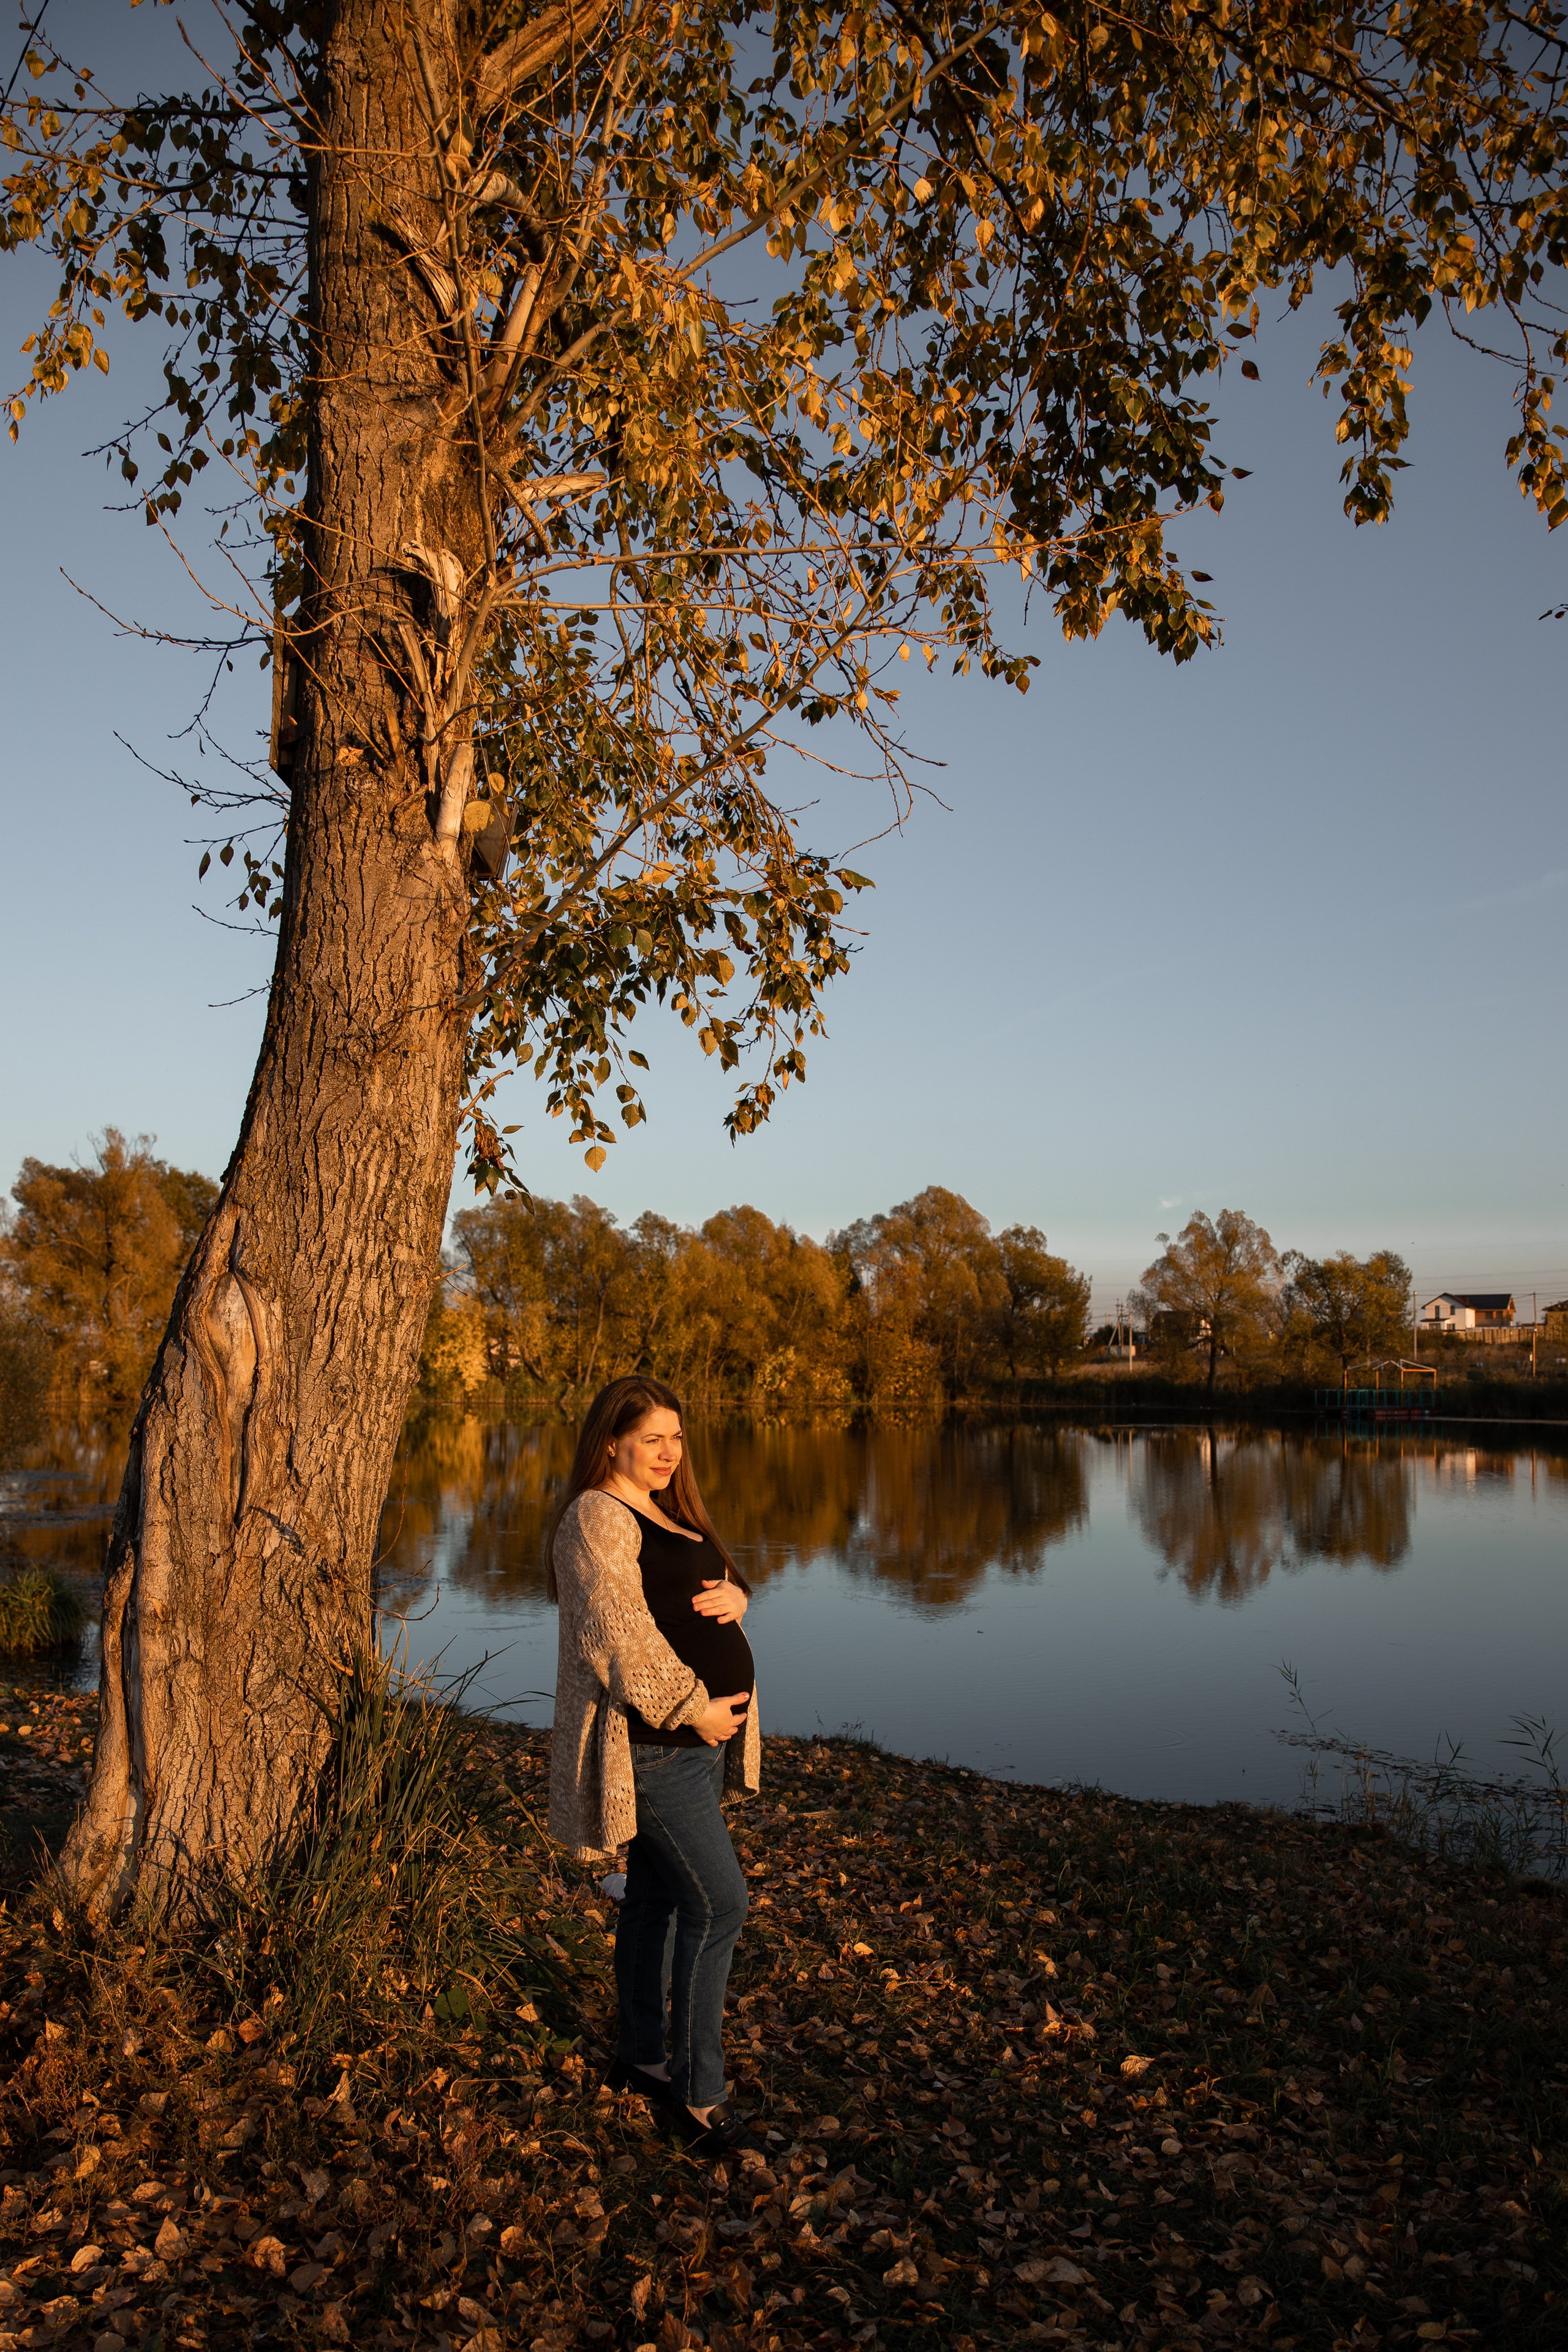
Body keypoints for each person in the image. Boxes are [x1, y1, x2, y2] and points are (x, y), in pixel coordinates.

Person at [547, 1376, 762, 2158]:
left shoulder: (664, 1508)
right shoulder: (594, 1519)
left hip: (692, 1748)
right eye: (652, 1439)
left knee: (655, 1897)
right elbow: (617, 1636)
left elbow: (697, 1589)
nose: (669, 1452)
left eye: (676, 1437)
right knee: (721, 1905)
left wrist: (740, 1597)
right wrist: (690, 1709)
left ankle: (639, 2053)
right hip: (655, 1747)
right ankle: (698, 2096)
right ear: (612, 1442)